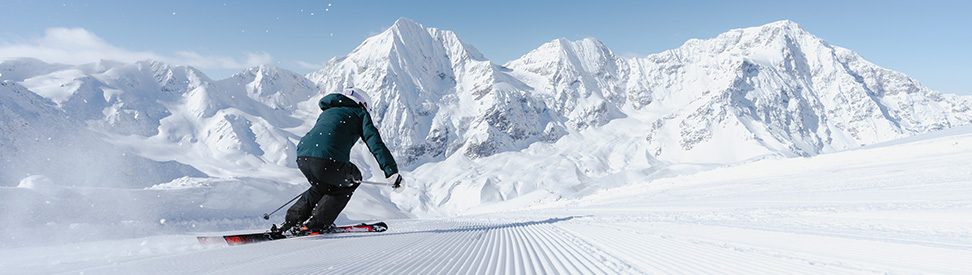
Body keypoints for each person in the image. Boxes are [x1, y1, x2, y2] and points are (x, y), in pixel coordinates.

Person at [276, 87, 402, 235]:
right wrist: (391, 172)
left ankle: (291, 221)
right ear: (363, 104)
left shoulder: (328, 111)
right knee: (353, 178)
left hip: (303, 157)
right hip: (326, 160)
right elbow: (375, 143)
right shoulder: (360, 113)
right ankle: (317, 223)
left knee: (321, 187)